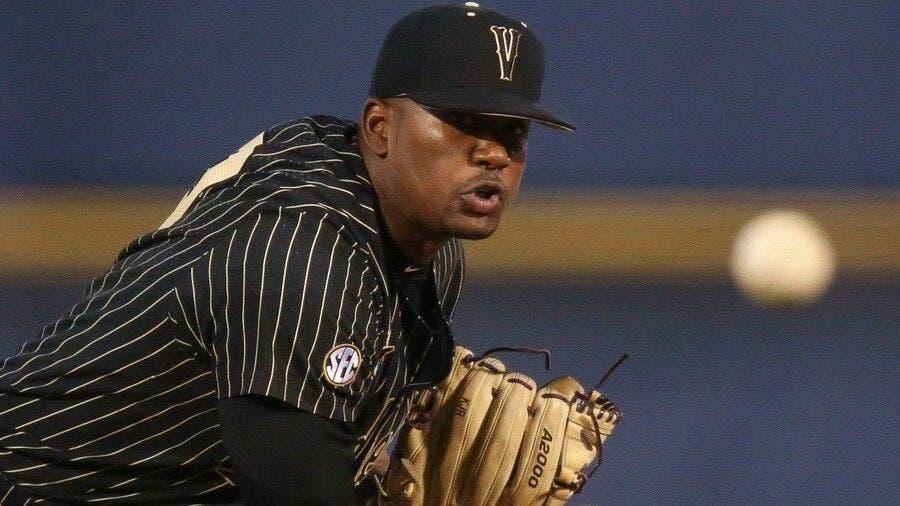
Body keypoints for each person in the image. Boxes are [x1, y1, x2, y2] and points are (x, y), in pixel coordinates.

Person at [0, 3, 573, 503]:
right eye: (463, 123)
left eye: (513, 132)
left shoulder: (423, 242)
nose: (493, 153)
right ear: (379, 127)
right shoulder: (302, 256)